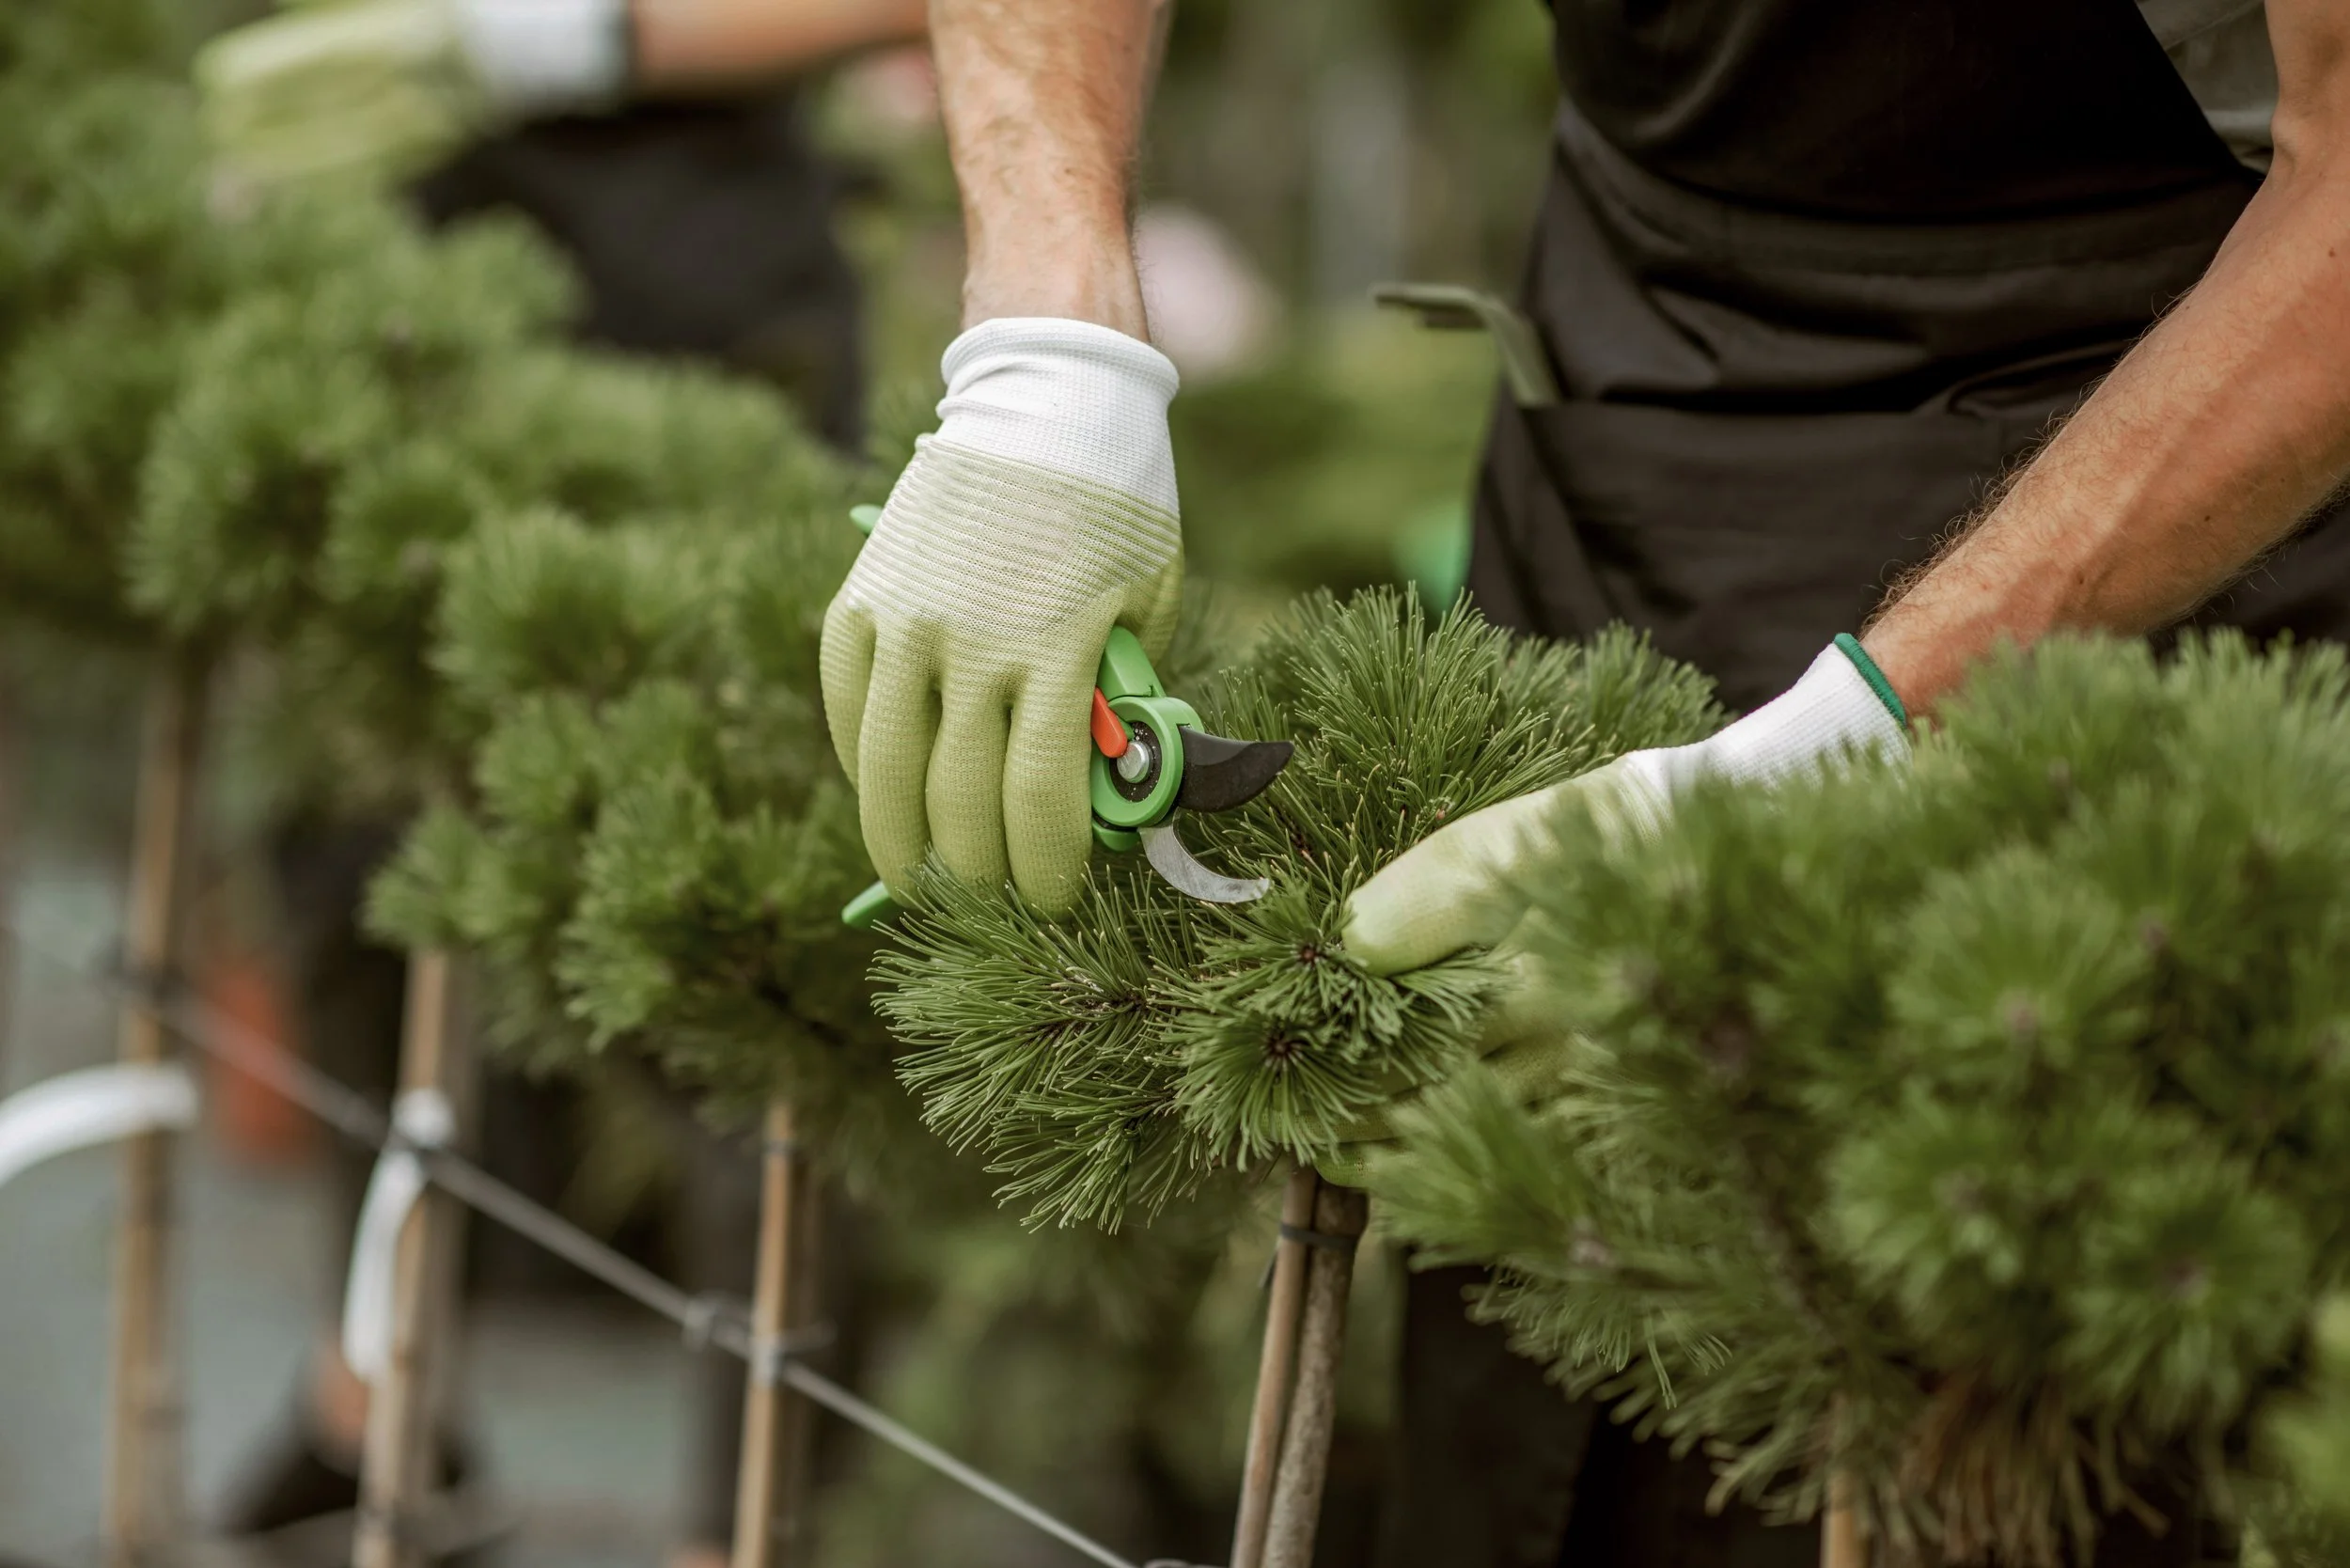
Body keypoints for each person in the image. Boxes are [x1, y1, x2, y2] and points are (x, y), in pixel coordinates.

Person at [818, 0, 2350, 1562]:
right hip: (1619, 377)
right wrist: (1048, 349)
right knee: (1526, 1366)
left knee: (1988, 1416)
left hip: (2161, 457)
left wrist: (1859, 730)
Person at [199, 3, 921, 1565]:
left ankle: (752, 1524)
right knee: (356, 882)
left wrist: (595, 37)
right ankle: (382, 1403)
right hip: (419, 303)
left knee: (731, 962)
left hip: (700, 333)